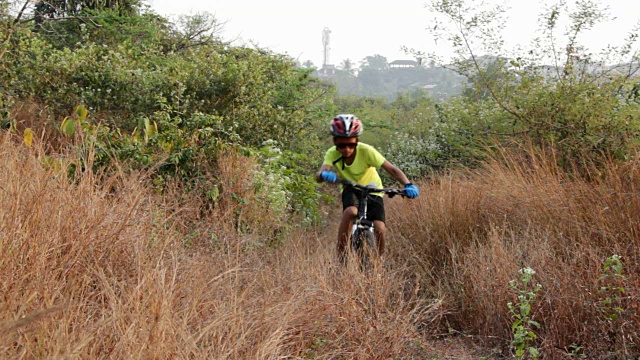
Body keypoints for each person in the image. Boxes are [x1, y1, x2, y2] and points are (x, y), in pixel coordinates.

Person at [315, 114, 419, 263]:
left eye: (351, 145)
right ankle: (341, 257)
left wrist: (408, 184)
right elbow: (319, 174)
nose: (346, 149)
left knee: (379, 228)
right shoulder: (332, 153)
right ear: (335, 142)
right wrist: (323, 174)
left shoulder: (367, 151)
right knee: (351, 212)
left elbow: (391, 168)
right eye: (341, 145)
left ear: (357, 141)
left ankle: (378, 262)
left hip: (373, 189)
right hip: (350, 188)